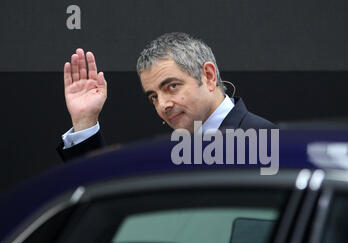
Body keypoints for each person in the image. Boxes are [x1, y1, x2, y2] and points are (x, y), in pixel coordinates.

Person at [57, 32, 276, 162]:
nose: (162, 105)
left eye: (172, 86)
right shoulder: (172, 152)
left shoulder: (262, 141)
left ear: (209, 76)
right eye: (153, 97)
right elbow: (108, 195)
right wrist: (85, 122)